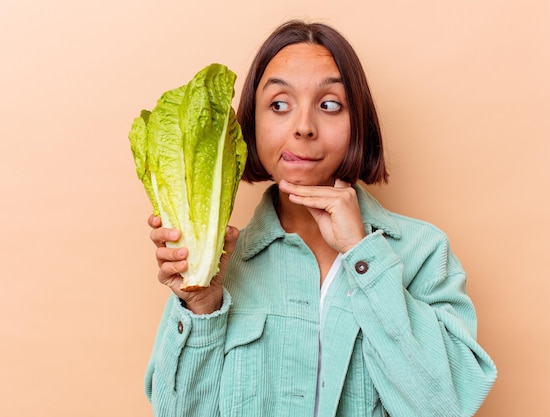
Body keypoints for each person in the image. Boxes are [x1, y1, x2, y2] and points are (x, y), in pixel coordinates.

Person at [144, 20, 497, 417]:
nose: (304, 128)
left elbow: (443, 408)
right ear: (249, 125)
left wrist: (363, 254)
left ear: (358, 121)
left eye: (329, 104)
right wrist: (202, 307)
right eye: (279, 104)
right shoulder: (221, 269)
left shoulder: (424, 253)